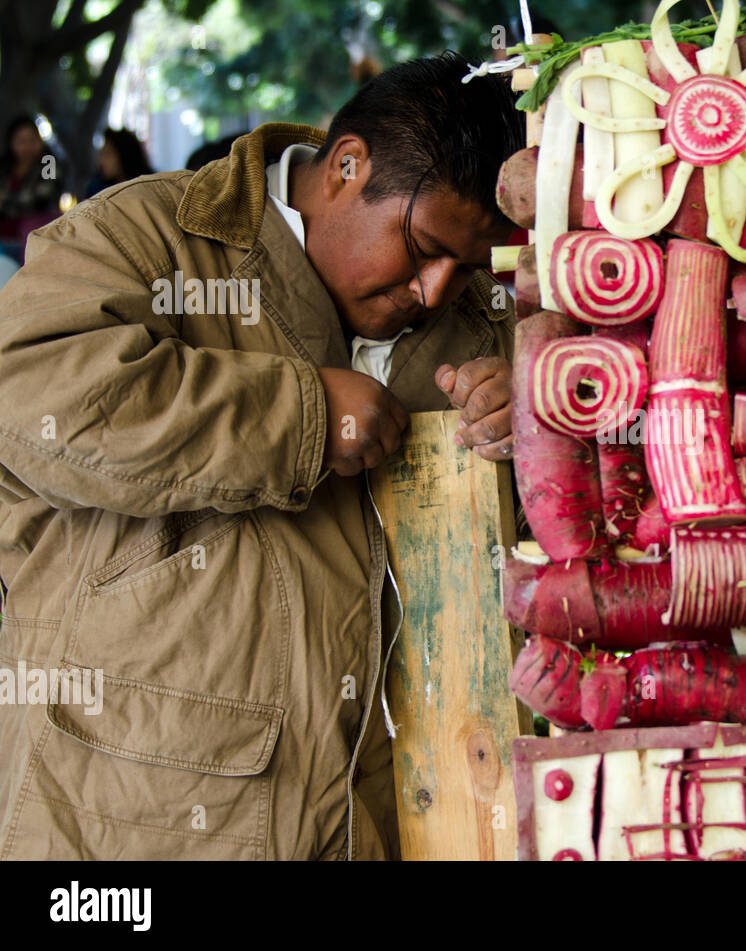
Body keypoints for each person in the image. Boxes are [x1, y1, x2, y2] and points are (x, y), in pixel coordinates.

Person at [0, 52, 523, 860]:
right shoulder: (147, 237)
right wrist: (303, 415)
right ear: (347, 167)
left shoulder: (474, 316)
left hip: (378, 824)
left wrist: (521, 410)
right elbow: (30, 394)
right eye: (421, 248)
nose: (434, 289)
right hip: (124, 830)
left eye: (468, 267)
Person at [0, 116, 63, 253]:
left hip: (35, 240)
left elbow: (42, 199)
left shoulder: (49, 163)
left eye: (32, 140)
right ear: (11, 143)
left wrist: (5, 203)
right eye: (21, 141)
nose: (27, 147)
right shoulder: (5, 166)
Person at [84, 128, 154, 198]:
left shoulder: (150, 185)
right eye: (101, 154)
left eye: (107, 155)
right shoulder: (97, 190)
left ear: (124, 156)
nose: (101, 161)